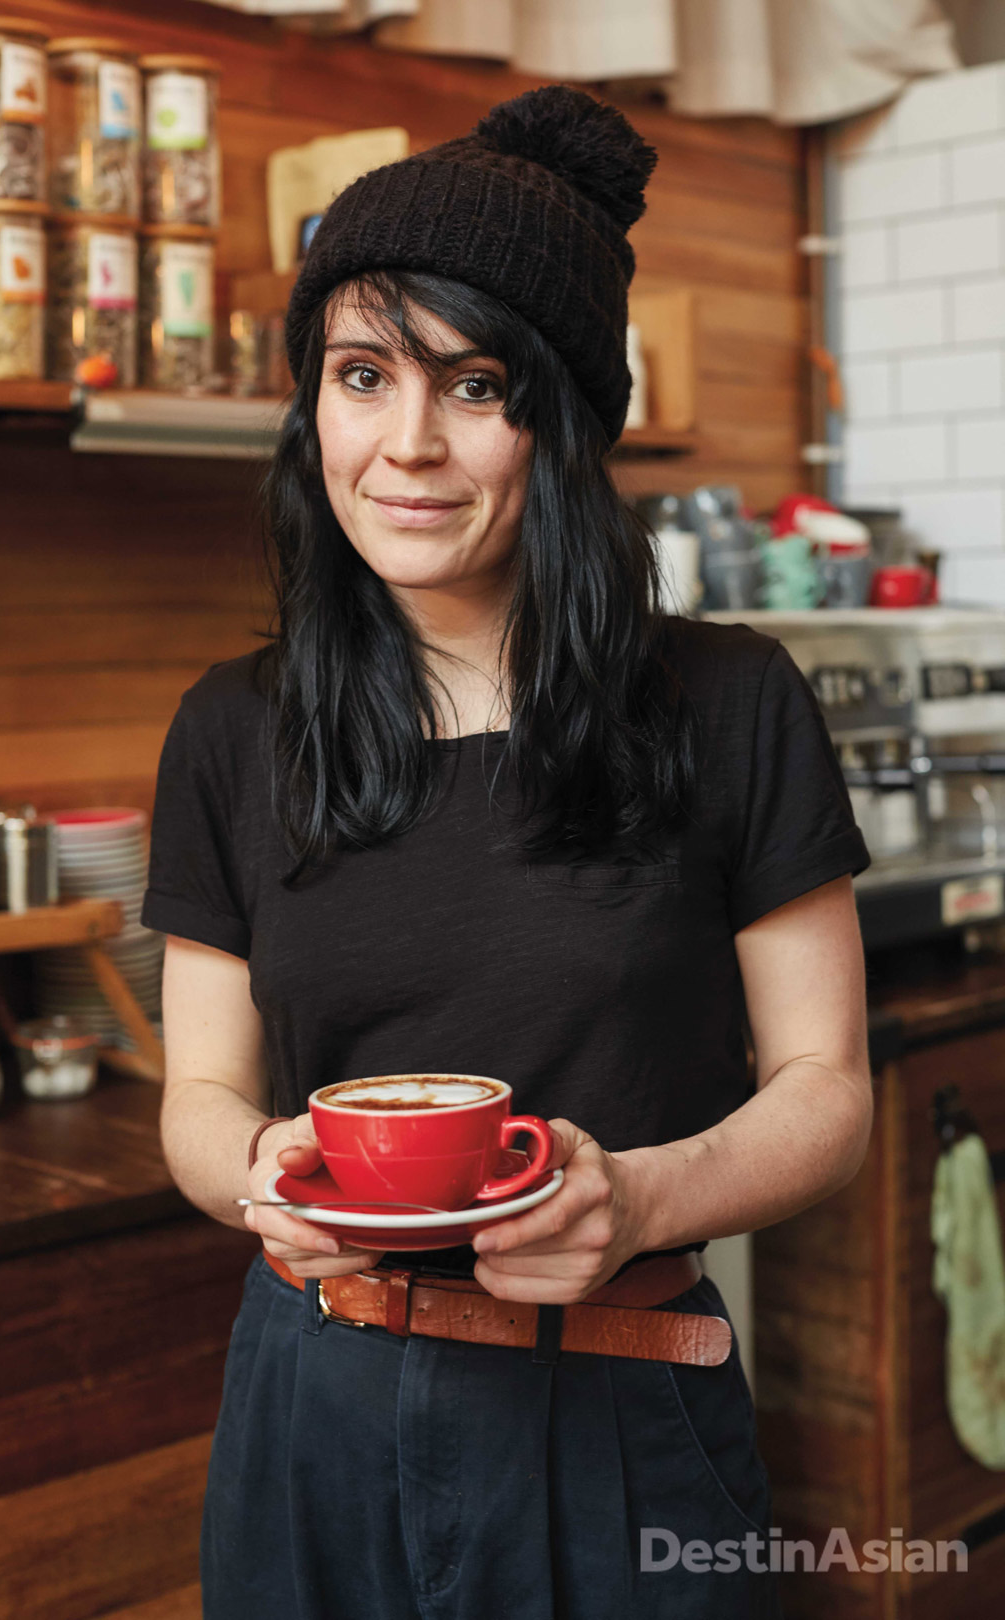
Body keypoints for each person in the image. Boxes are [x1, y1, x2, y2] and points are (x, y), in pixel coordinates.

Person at [142, 84, 872, 1620]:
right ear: (314, 405)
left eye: (475, 386)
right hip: (311, 1405)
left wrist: (646, 1199)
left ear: (561, 417)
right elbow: (201, 1097)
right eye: (362, 376)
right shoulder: (231, 728)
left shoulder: (729, 701)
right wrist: (253, 1168)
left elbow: (830, 1096)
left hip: (619, 1405)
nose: (408, 446)